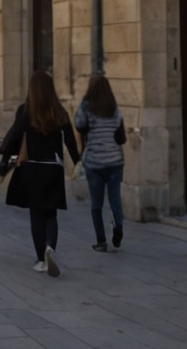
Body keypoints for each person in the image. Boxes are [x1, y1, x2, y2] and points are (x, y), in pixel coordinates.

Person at [0, 70, 80, 278]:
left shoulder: (26, 111)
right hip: (53, 168)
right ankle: (50, 247)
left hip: (32, 168)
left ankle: (41, 259)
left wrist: (4, 157)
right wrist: (78, 161)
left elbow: (15, 136)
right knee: (51, 213)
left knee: (36, 215)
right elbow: (70, 141)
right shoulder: (59, 112)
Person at [75, 73, 128, 252]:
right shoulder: (114, 109)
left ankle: (101, 240)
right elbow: (121, 137)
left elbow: (79, 125)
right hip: (115, 160)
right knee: (115, 198)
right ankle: (117, 226)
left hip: (95, 161)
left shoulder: (86, 107)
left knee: (96, 204)